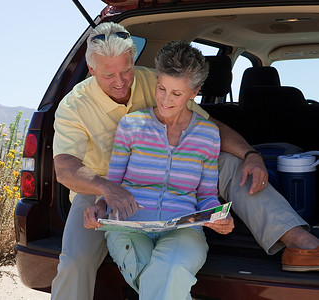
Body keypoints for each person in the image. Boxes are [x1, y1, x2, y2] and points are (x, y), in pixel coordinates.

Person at [52, 22, 319, 300]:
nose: (120, 81)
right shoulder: (73, 106)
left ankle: (298, 241)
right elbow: (65, 168)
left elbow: (211, 127)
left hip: (174, 188)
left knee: (231, 162)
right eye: (108, 75)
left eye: (126, 70)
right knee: (74, 262)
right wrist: (107, 191)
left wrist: (251, 155)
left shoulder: (156, 81)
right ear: (92, 70)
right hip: (100, 187)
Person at [84, 40, 234, 299]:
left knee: (170, 269)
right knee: (164, 282)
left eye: (176, 94)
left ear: (194, 92)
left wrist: (217, 216)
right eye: (161, 88)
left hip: (183, 229)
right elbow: (113, 184)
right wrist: (100, 205)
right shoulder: (130, 125)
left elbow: (207, 194)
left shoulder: (209, 135)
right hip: (129, 226)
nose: (165, 99)